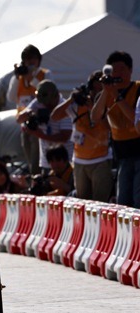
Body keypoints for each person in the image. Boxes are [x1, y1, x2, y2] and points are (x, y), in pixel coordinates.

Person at [51, 70, 113, 202]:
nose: (96, 92)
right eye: (94, 89)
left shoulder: (108, 104)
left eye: (100, 89)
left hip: (101, 160)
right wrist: (71, 99)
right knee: (82, 201)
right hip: (80, 161)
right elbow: (54, 117)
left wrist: (93, 109)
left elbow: (110, 127)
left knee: (100, 202)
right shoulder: (77, 106)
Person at [92, 51, 140, 208]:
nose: (118, 74)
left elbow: (135, 118)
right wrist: (106, 92)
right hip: (122, 154)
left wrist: (118, 97)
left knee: (137, 197)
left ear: (130, 70)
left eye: (122, 70)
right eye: (114, 70)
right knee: (123, 199)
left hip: (138, 150)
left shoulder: (137, 89)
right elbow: (95, 117)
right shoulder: (107, 93)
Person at [7, 45, 54, 175]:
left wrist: (31, 79)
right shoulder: (18, 78)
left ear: (39, 60)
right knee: (29, 159)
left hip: (41, 124)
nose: (30, 63)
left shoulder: (45, 74)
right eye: (27, 61)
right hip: (25, 124)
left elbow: (49, 93)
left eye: (33, 60)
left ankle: (38, 180)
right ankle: (34, 179)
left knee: (37, 160)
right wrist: (18, 77)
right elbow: (11, 97)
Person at [16, 80, 72, 174]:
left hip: (64, 162)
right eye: (44, 103)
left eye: (49, 103)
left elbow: (64, 137)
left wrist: (40, 135)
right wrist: (29, 114)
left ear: (56, 96)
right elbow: (19, 120)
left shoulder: (65, 108)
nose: (46, 105)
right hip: (46, 162)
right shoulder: (39, 102)